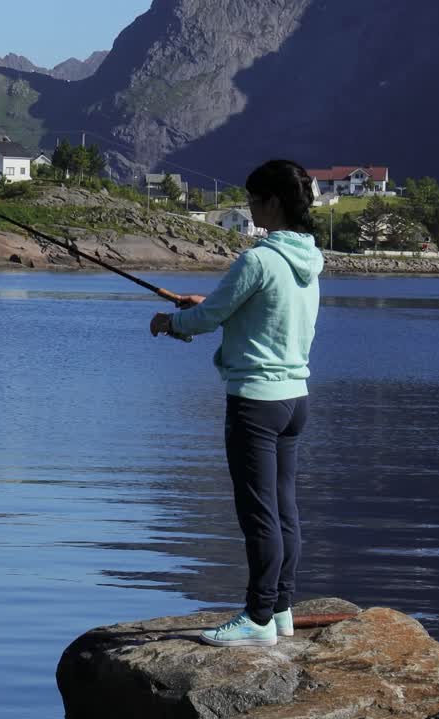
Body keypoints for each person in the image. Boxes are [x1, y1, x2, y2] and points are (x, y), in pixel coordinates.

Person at [149, 159, 324, 648]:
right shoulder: (308, 259)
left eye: (252, 199)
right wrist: (207, 304)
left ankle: (258, 616)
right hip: (294, 401)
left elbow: (208, 320)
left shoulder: (259, 259)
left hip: (255, 404)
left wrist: (171, 323)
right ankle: (282, 608)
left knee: (258, 513)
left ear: (271, 201)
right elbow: (262, 311)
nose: (249, 207)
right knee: (284, 509)